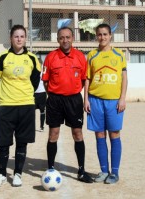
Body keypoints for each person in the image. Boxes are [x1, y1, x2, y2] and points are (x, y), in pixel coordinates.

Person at [0, 24, 41, 187]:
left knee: (22, 141)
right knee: (3, 143)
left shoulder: (32, 59)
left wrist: (24, 95)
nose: (19, 39)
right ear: (11, 38)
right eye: (16, 36)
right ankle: (1, 174)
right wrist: (3, 96)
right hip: (6, 106)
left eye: (22, 36)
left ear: (25, 39)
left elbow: (35, 81)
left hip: (26, 106)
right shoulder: (2, 58)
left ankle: (17, 174)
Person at [42, 26, 93, 183]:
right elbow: (45, 81)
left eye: (68, 37)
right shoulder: (50, 57)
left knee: (77, 134)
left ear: (72, 38)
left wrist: (83, 98)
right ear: (58, 39)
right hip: (55, 100)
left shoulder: (80, 57)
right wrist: (53, 95)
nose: (65, 40)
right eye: (62, 37)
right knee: (53, 134)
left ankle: (81, 171)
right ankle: (50, 168)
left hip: (74, 100)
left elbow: (85, 80)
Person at [84, 23, 128, 184]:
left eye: (105, 34)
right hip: (95, 100)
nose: (102, 37)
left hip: (114, 101)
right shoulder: (92, 55)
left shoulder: (119, 55)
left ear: (110, 36)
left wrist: (122, 98)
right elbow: (87, 78)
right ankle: (104, 170)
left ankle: (114, 173)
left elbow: (124, 78)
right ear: (96, 36)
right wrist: (86, 99)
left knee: (114, 134)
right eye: (99, 34)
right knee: (99, 135)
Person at [34, 58, 47, 132]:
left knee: (42, 110)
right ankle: (31, 126)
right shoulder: (34, 71)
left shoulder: (44, 71)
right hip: (34, 94)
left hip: (42, 93)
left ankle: (42, 126)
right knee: (32, 111)